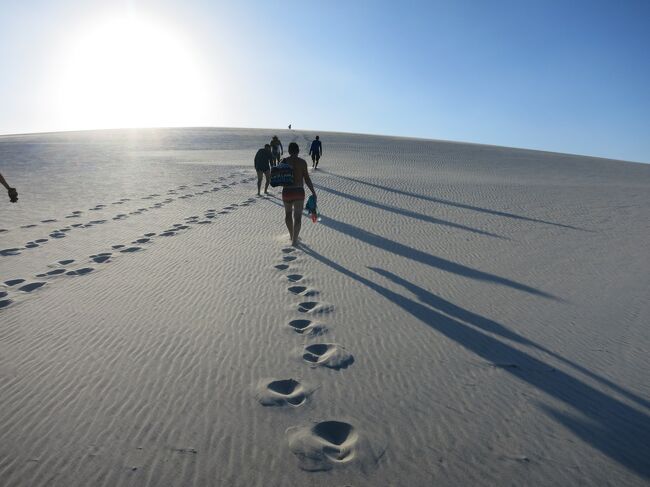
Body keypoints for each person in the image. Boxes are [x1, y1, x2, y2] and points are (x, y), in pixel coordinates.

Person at [281, 142, 316, 246]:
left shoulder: (284, 161)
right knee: (298, 217)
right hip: (298, 192)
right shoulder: (302, 162)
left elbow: (279, 176)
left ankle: (291, 235)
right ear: (298, 151)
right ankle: (295, 240)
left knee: (288, 214)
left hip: (287, 191)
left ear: (289, 150)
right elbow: (307, 179)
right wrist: (313, 192)